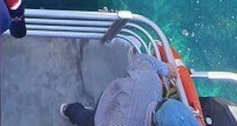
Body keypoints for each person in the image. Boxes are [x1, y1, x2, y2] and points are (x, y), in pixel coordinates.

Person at [60, 53, 198, 126]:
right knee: (84, 118)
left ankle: (67, 109)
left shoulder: (150, 81)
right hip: (101, 120)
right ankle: (70, 111)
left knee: (80, 113)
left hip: (111, 95)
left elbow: (143, 59)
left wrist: (166, 69)